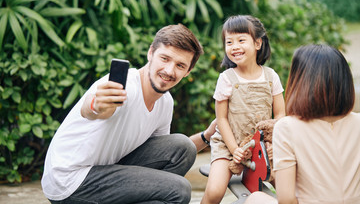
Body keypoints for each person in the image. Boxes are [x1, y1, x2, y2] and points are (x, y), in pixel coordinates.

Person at [41, 23, 216, 204]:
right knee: (179, 189)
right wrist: (96, 105)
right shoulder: (125, 88)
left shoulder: (165, 102)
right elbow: (92, 110)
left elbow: (164, 159)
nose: (169, 70)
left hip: (107, 170)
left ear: (188, 72)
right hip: (70, 180)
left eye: (180, 65)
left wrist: (207, 136)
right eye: (164, 58)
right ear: (151, 53)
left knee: (182, 147)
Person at [244, 44, 360, 204]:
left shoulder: (287, 127)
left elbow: (286, 198)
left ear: (299, 82)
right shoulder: (357, 122)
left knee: (255, 198)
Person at [201, 15, 286, 204]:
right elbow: (221, 119)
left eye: (241, 40)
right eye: (229, 42)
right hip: (228, 145)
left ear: (257, 43)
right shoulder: (226, 78)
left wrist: (274, 144)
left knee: (286, 188)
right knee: (214, 192)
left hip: (262, 147)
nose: (234, 46)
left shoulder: (271, 76)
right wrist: (234, 149)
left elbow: (280, 115)